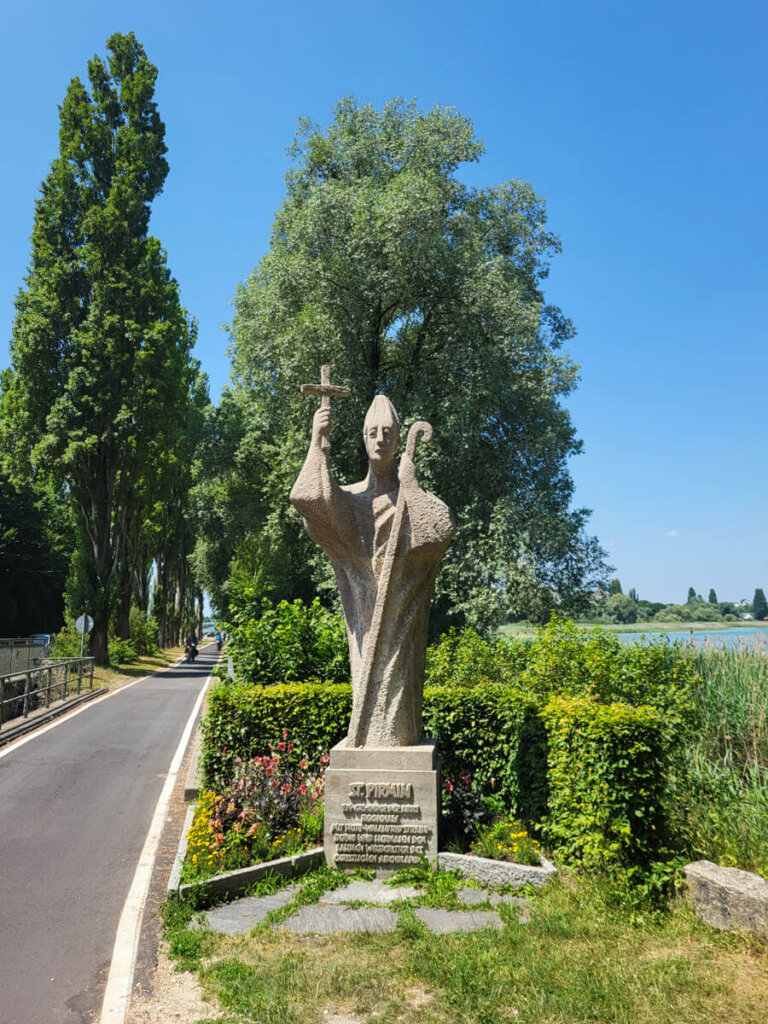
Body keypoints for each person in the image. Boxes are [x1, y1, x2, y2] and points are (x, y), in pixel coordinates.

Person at [290, 394, 454, 747]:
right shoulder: (348, 501)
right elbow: (308, 500)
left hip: (401, 624)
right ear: (364, 439)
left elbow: (440, 529)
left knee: (398, 723)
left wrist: (410, 485)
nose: (380, 439)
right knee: (366, 692)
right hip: (365, 622)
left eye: (388, 433)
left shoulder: (408, 498)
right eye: (372, 432)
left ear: (398, 439)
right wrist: (317, 444)